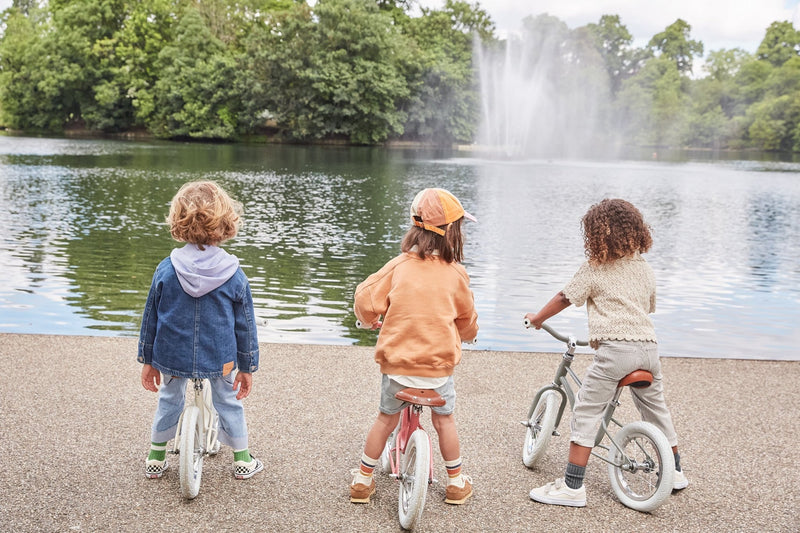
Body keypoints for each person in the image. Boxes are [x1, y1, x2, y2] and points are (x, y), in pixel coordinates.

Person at [525, 198, 688, 508]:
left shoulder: (594, 268)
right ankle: (676, 472)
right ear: (637, 231)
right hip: (650, 350)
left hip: (616, 350)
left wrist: (538, 319)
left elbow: (565, 297)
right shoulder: (644, 268)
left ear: (596, 235)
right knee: (657, 410)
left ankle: (572, 487)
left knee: (587, 411)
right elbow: (648, 306)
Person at [350, 188, 479, 505]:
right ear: (453, 232)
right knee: (444, 420)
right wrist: (467, 333)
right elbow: (467, 320)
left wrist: (369, 320)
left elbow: (365, 300)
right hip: (437, 372)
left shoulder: (398, 266)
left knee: (385, 419)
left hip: (399, 368)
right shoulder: (456, 274)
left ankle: (363, 481)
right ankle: (456, 483)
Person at [137, 180, 263, 481]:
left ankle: (155, 456)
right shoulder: (233, 274)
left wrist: (148, 360)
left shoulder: (167, 268)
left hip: (172, 355)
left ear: (178, 221)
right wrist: (247, 367)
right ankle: (243, 460)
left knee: (169, 397)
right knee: (228, 400)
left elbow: (151, 317)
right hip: (220, 357)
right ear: (226, 223)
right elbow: (245, 325)